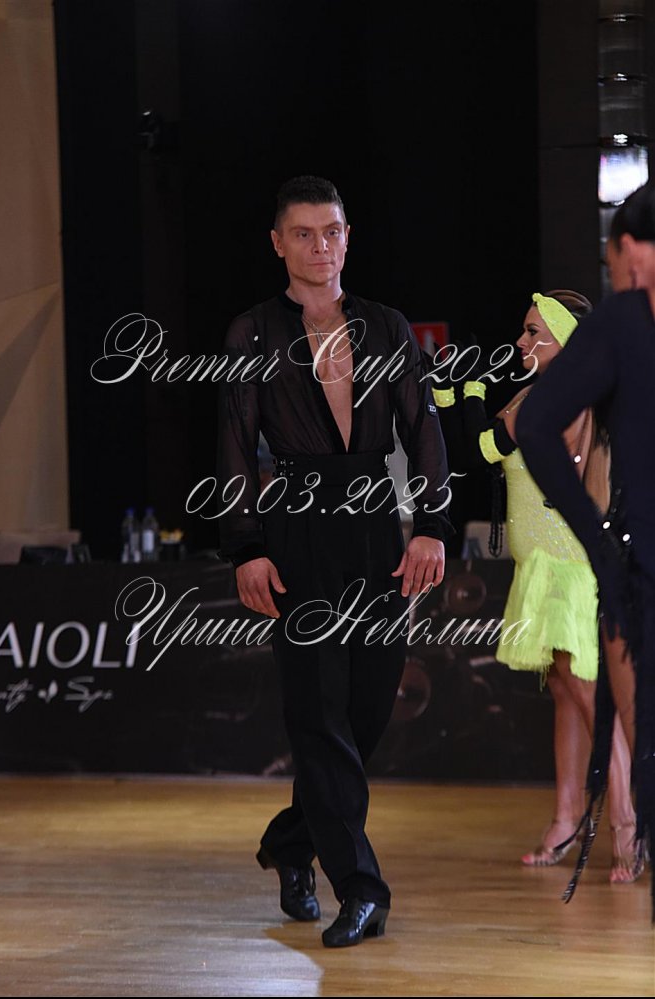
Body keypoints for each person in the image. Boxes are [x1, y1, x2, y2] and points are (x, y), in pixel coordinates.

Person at [216, 176, 452, 947]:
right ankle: (362, 888)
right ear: (278, 243)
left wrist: (431, 525)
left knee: (366, 713)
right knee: (318, 715)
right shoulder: (252, 332)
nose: (321, 246)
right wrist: (247, 546)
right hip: (297, 530)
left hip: (378, 528)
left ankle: (291, 841)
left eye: (333, 231)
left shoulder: (386, 326)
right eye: (304, 233)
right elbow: (235, 445)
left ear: (348, 237)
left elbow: (423, 430)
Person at [429, 290, 639, 881]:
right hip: (545, 565)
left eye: (532, 331)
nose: (521, 341)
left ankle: (629, 826)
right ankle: (565, 819)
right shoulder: (541, 394)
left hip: (567, 567)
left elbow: (478, 450)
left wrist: (468, 389)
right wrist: (452, 391)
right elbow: (472, 453)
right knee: (566, 693)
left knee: (588, 696)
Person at [516, 182, 655, 907]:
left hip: (600, 558)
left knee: (604, 702)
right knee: (583, 697)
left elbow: (533, 431)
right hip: (606, 558)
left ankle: (627, 828)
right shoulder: (619, 332)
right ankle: (593, 820)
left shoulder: (616, 331)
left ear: (628, 250)